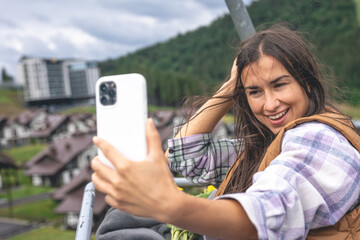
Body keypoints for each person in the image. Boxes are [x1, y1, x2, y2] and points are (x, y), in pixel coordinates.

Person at [91, 24, 360, 240]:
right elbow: (186, 157)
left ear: (308, 84)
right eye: (255, 91)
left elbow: (270, 210)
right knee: (124, 217)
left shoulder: (317, 138)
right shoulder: (265, 144)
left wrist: (174, 206)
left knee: (122, 223)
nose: (269, 104)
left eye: (279, 85)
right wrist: (232, 85)